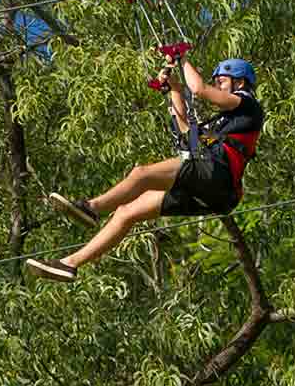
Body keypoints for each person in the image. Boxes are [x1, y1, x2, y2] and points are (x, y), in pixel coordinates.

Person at [26, 56, 264, 282]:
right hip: (213, 191)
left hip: (217, 175)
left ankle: (91, 208)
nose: (216, 86)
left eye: (220, 81)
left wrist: (181, 57)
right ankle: (70, 264)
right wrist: (174, 89)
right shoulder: (223, 122)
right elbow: (186, 133)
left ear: (239, 82)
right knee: (126, 212)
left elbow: (200, 89)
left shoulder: (249, 105)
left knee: (141, 174)